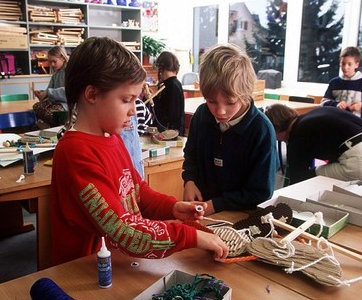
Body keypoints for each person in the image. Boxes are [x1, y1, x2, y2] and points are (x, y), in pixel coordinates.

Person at [50, 37, 228, 265]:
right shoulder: (75, 151)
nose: (134, 111)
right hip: (85, 271)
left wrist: (171, 208)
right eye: (126, 100)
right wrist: (190, 236)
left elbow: (136, 191)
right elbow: (124, 231)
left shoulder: (112, 138)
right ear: (92, 94)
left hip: (118, 265)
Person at [182, 44, 278, 216]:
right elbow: (191, 156)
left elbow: (261, 192)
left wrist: (217, 204)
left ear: (246, 94)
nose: (220, 111)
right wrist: (189, 180)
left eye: (230, 102)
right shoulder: (202, 115)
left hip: (242, 214)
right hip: (204, 211)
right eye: (211, 101)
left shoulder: (261, 129)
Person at [265, 104, 362, 190]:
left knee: (311, 179)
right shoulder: (313, 115)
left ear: (275, 129)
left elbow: (297, 178)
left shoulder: (296, 134)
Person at [321, 46, 362, 118]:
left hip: (355, 123)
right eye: (343, 64)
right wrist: (336, 104)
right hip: (335, 121)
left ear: (356, 64)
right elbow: (324, 102)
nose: (345, 67)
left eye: (349, 64)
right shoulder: (334, 82)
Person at [33, 46, 69, 127]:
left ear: (63, 58)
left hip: (67, 104)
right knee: (37, 107)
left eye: (54, 61)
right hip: (56, 103)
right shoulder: (56, 74)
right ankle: (49, 127)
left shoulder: (70, 71)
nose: (52, 64)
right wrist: (42, 94)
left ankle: (56, 128)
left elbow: (69, 91)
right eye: (50, 62)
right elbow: (49, 90)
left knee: (50, 113)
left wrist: (47, 93)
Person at [152, 51, 185, 136]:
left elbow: (171, 114)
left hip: (170, 132)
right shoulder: (170, 84)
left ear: (161, 68)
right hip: (168, 130)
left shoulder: (172, 85)